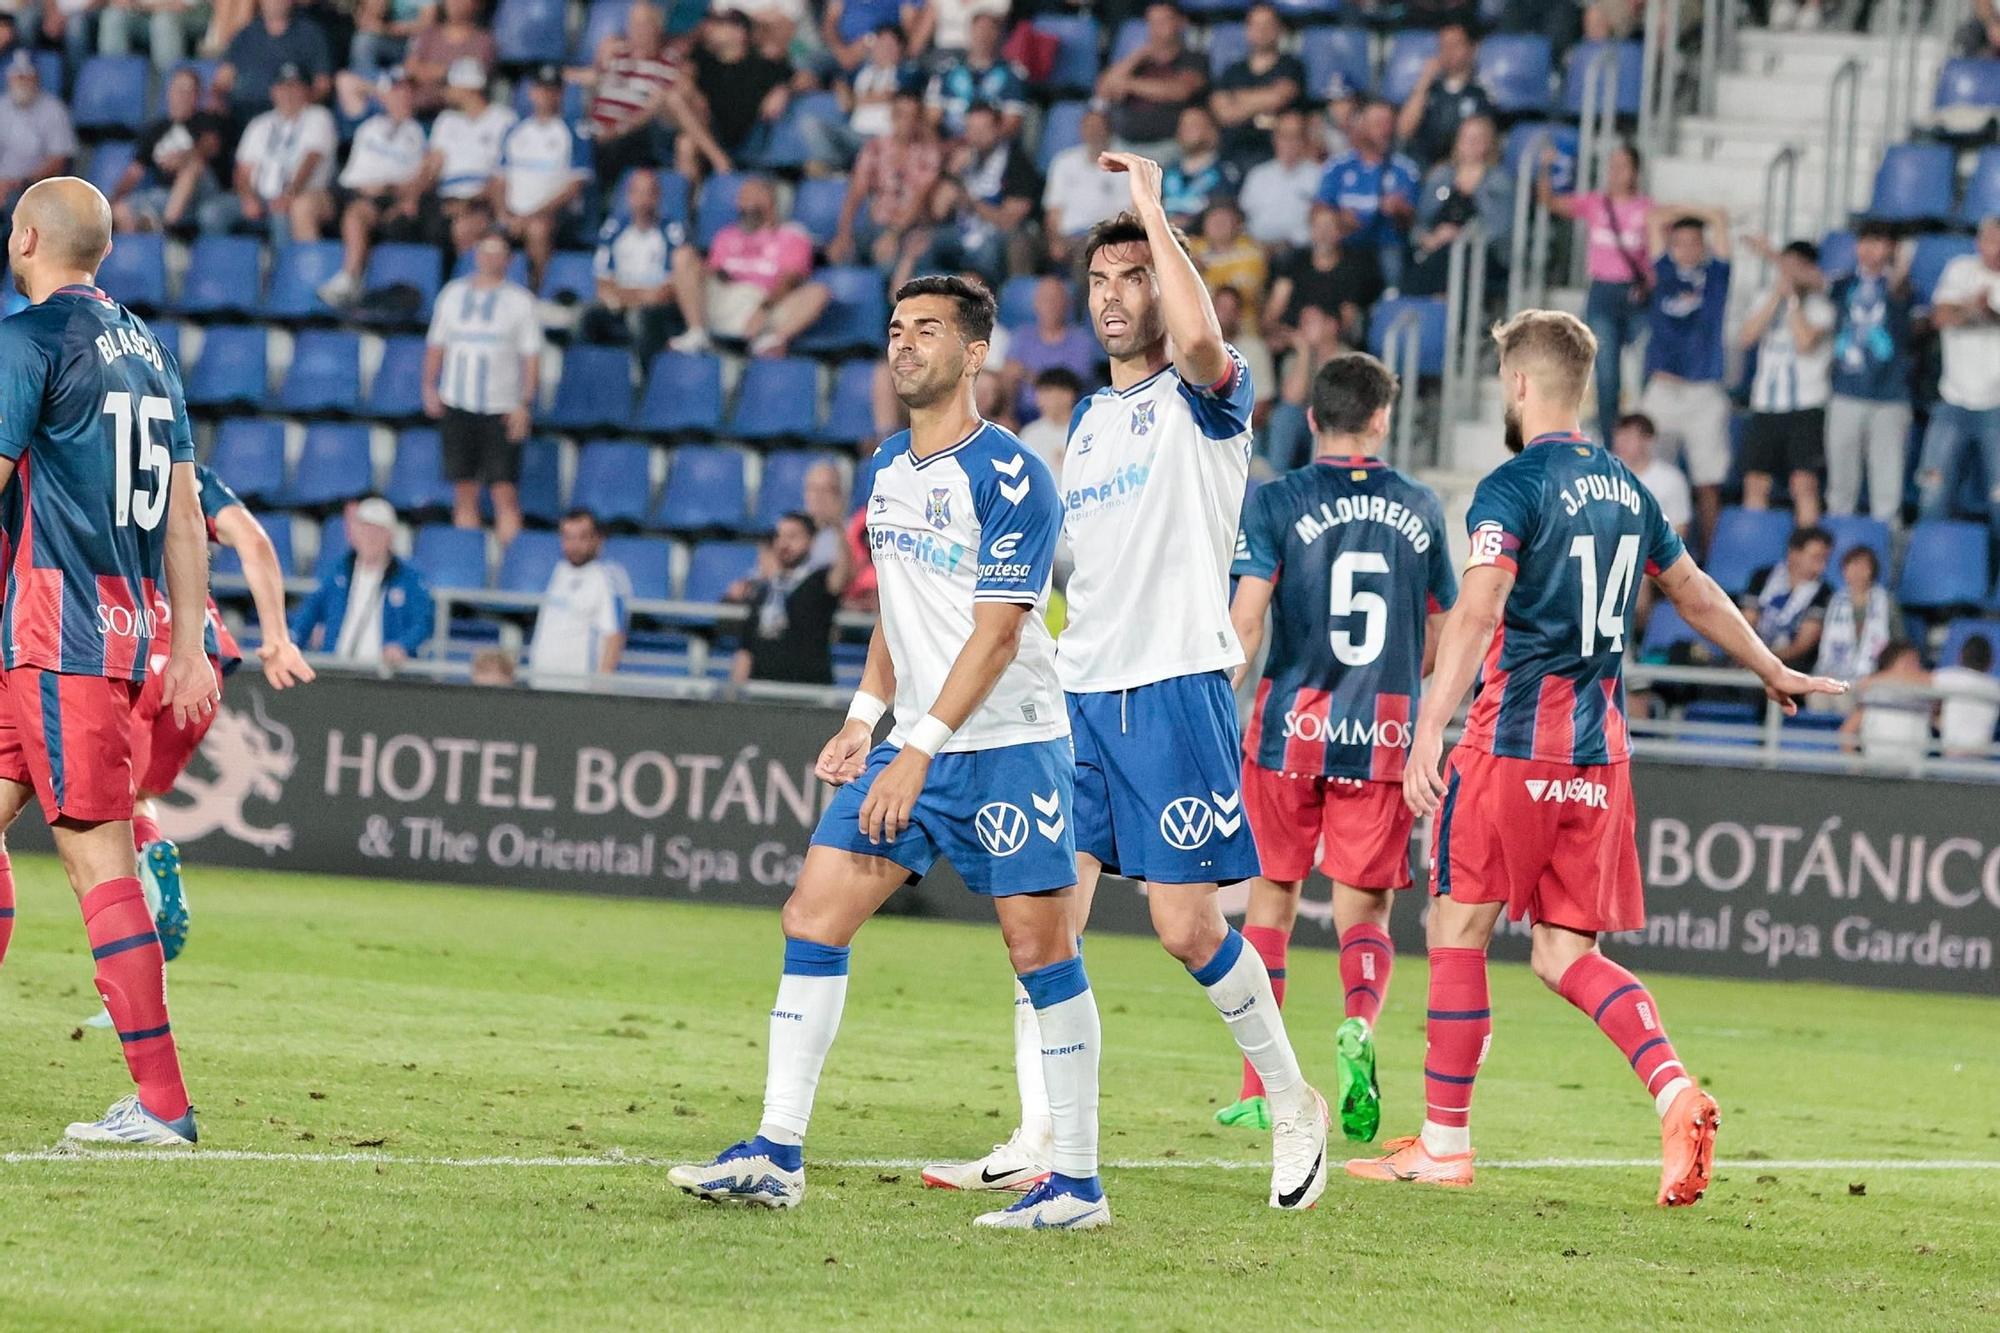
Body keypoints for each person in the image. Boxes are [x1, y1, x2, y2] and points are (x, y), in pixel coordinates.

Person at [1352, 309, 1842, 1202]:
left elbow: (1477, 607)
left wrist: (1430, 726)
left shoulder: (1512, 485)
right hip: (1599, 757)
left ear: (1520, 385)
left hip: (1511, 745)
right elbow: (1692, 592)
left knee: (1457, 926)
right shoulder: (1631, 490)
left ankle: (1444, 1143)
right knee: (1564, 952)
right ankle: (1674, 1090)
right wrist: (1772, 666)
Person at [927, 164, 1331, 1213]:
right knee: (1037, 918)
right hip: (1081, 697)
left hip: (1174, 687)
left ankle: (1292, 1105)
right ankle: (1046, 1140)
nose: (1110, 293)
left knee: (1187, 929)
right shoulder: (1090, 424)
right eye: (1098, 276)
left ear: (1167, 282)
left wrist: (1154, 212)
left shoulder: (1206, 398)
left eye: (1132, 275)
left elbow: (1200, 341)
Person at [669, 276, 1107, 1232]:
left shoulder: (1013, 477)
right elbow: (897, 617)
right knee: (813, 915)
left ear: (975, 352)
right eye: (897, 328)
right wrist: (866, 719)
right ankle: (777, 1152)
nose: (904, 344)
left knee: (1041, 952)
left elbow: (995, 637)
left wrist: (916, 749)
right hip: (914, 739)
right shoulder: (886, 469)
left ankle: (1077, 1182)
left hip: (1011, 742)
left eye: (928, 331)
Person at [0, 177, 219, 1146]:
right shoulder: (148, 349)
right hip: (99, 634)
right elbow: (184, 510)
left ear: (29, 237)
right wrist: (182, 642)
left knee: (95, 856)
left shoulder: (29, 338)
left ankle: (164, 1105)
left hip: (59, 638)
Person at [1221, 352, 1456, 1139]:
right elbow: (1441, 635)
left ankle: (1262, 1081)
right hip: (1383, 732)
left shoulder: (1278, 500)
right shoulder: (1421, 506)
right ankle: (1357, 1022)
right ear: (1383, 418)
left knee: (1272, 900)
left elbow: (1247, 620)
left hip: (1291, 727)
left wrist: (1213, 697)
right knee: (1365, 908)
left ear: (1312, 417)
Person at [131, 462, 313, 963]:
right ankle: (150, 856)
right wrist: (276, 638)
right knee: (137, 798)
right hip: (200, 662)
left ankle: (127, 938)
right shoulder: (187, 474)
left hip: (126, 643)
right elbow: (255, 542)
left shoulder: (86, 450)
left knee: (89, 817)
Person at [422, 233, 543, 544]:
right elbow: (437, 345)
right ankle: (466, 567)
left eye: (498, 253)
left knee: (504, 491)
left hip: (501, 406)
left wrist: (524, 404)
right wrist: (429, 386)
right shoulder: (451, 295)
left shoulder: (520, 301)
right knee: (464, 491)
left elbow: (531, 357)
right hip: (457, 403)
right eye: (485, 252)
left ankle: (509, 569)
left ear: (509, 260)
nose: (490, 259)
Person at [1539, 141, 1652, 433]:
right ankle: (1611, 436)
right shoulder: (1595, 203)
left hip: (1635, 293)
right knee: (1607, 373)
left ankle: (1638, 431)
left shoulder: (1647, 209)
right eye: (1612, 167)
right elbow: (1550, 201)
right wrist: (1545, 168)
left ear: (1635, 172)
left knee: (1646, 366)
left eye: (1622, 167)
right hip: (1603, 291)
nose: (1615, 173)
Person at [1639, 208, 1733, 547]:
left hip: (1703, 390)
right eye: (1679, 243)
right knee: (1651, 478)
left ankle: (1710, 560)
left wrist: (1703, 213)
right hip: (1664, 389)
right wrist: (1690, 209)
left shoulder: (1716, 277)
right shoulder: (1663, 272)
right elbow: (1653, 221)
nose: (1687, 249)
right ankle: (1653, 558)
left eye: (1694, 242)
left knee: (1707, 482)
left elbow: (1720, 221)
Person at [670, 175, 828, 358]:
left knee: (818, 292)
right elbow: (716, 272)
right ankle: (697, 333)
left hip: (766, 303)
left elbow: (790, 280)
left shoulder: (792, 235)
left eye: (751, 198)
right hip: (725, 299)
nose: (743, 204)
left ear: (770, 201)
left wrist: (764, 308)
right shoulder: (726, 235)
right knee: (683, 256)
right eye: (742, 199)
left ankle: (769, 342)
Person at [1914, 217, 2000, 542]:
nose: (1995, 249)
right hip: (1953, 400)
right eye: (1990, 241)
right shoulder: (1960, 269)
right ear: (1979, 242)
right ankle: (1926, 568)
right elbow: (1940, 316)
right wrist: (1974, 311)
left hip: (1997, 407)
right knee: (1933, 494)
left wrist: (1987, 313)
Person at [1738, 238, 1834, 524]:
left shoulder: (1822, 306)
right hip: (1765, 404)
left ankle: (1807, 548)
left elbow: (1805, 342)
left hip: (1806, 405)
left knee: (1803, 484)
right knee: (1756, 482)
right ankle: (1752, 548)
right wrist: (1775, 298)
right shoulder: (1765, 298)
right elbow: (1746, 338)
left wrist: (1792, 300)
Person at [317, 67, 430, 309]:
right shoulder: (369, 121)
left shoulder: (423, 130)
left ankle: (350, 278)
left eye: (407, 92)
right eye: (396, 91)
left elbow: (425, 176)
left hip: (384, 196)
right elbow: (344, 80)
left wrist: (393, 189)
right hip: (346, 189)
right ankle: (312, 271)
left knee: (357, 214)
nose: (402, 97)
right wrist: (381, 92)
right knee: (303, 206)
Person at [1825, 221, 1913, 522]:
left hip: (1890, 397)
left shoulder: (1904, 287)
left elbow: (1903, 297)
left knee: (1887, 488)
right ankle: (1836, 549)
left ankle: (1885, 555)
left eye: (1878, 243)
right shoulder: (1842, 284)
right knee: (1840, 486)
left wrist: (1901, 266)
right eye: (1865, 242)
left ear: (1891, 249)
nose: (1870, 250)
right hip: (1845, 392)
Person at [289, 496, 434, 665]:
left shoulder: (409, 578)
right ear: (355, 533)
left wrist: (402, 646)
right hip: (337, 667)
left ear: (390, 536)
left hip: (384, 672)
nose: (370, 537)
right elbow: (310, 609)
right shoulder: (338, 571)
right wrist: (292, 641)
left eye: (378, 531)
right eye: (365, 529)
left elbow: (422, 622)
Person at [201, 63, 335, 244]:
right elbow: (243, 171)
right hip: (260, 196)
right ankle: (225, 267)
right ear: (273, 91)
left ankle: (284, 269)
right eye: (282, 87)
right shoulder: (259, 123)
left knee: (281, 212)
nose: (287, 93)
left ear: (307, 90)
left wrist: (289, 194)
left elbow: (310, 160)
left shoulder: (318, 116)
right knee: (212, 212)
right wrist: (248, 198)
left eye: (294, 86)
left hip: (299, 194)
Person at [580, 168, 695, 371]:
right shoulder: (613, 229)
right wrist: (637, 296)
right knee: (586, 317)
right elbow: (603, 284)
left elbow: (667, 291)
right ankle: (588, 378)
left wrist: (627, 297)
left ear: (657, 197)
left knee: (641, 318)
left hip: (657, 311)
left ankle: (643, 383)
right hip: (623, 303)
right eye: (637, 192)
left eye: (649, 193)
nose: (643, 200)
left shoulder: (672, 231)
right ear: (629, 196)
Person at [728, 510, 854, 685]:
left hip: (807, 691)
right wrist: (736, 691)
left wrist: (838, 529)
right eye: (780, 536)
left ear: (811, 541)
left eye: (793, 536)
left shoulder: (819, 582)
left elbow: (843, 573)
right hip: (762, 692)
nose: (784, 543)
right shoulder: (764, 590)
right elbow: (746, 647)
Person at [828, 88, 942, 271]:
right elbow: (856, 191)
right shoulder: (875, 147)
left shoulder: (928, 153)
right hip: (877, 223)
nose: (906, 122)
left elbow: (919, 199)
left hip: (910, 229)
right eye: (900, 115)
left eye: (912, 116)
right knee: (839, 255)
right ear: (892, 116)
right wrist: (843, 233)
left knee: (888, 264)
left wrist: (893, 235)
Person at [496, 65, 587, 288]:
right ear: (531, 92)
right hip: (513, 212)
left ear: (561, 94)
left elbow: (574, 186)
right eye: (541, 89)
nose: (545, 95)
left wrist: (528, 217)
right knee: (469, 228)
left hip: (553, 215)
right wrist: (503, 213)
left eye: (552, 90)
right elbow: (499, 179)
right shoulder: (515, 130)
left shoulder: (574, 132)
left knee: (538, 230)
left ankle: (535, 291)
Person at [1315, 99, 1419, 292]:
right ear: (1361, 126)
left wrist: (1399, 210)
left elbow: (1411, 222)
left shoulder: (1404, 168)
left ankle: (1391, 302)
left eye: (1389, 123)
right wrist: (1339, 219)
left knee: (1392, 258)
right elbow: (1320, 209)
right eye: (1377, 123)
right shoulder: (1337, 166)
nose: (1385, 130)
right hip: (1345, 244)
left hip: (1385, 245)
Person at [1402, 113, 1509, 298]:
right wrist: (1428, 238)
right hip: (1437, 251)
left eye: (1478, 139)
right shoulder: (1441, 175)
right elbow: (1420, 222)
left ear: (1489, 143)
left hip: (1480, 255)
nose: (1471, 144)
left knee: (1456, 259)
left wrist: (1461, 236)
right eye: (1467, 138)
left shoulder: (1499, 180)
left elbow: (1499, 228)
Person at [110, 65, 226, 234]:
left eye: (189, 90)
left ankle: (167, 231)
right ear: (169, 93)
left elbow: (211, 146)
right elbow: (135, 172)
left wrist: (184, 157)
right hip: (167, 194)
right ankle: (145, 255)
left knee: (192, 165)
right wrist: (112, 199)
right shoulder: (155, 129)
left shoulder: (207, 120)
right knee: (121, 211)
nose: (182, 96)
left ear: (197, 95)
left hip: (204, 192)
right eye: (178, 89)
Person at [526, 510, 632, 686]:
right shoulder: (557, 571)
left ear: (598, 539)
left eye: (582, 537)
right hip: (541, 680)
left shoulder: (607, 577)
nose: (574, 545)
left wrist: (601, 684)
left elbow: (615, 635)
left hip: (579, 686)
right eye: (568, 537)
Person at [1264, 201, 1382, 355]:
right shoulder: (1294, 263)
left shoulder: (1352, 268)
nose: (1323, 233)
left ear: (1340, 232)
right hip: (1292, 342)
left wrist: (1317, 336)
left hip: (1330, 344)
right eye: (1318, 227)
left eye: (1329, 227)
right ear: (1311, 231)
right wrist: (1289, 337)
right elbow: (1271, 315)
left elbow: (1348, 321)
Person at [425, 59, 515, 254]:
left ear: (467, 88)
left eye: (451, 85)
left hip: (484, 200)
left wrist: (470, 202)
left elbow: (504, 171)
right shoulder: (446, 120)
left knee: (465, 228)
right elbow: (433, 166)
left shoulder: (503, 119)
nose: (446, 90)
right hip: (445, 198)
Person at [1096, 2, 1206, 158]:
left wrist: (1128, 84)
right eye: (1152, 22)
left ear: (1180, 22)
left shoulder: (1193, 58)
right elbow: (1103, 90)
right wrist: (1138, 55)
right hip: (1124, 143)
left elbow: (1178, 91)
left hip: (1169, 145)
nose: (1157, 28)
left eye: (1163, 21)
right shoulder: (1137, 61)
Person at [688, 9, 789, 166]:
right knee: (685, 141)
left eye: (721, 24)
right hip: (711, 131)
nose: (713, 29)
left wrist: (783, 90)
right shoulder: (702, 60)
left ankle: (722, 164)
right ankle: (719, 162)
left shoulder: (762, 64)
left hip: (746, 141)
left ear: (739, 32)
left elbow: (803, 78)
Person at [806, 22, 913, 168]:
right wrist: (848, 94)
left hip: (883, 137)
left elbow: (889, 97)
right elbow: (844, 102)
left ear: (899, 49)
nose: (884, 50)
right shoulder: (863, 72)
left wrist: (853, 98)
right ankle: (836, 169)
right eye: (880, 45)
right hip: (855, 133)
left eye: (889, 46)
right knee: (811, 124)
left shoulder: (905, 72)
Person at [1210, 2, 1305, 166]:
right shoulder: (1232, 70)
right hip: (1233, 153)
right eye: (1256, 25)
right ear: (1247, 30)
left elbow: (1279, 97)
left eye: (1268, 24)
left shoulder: (1291, 65)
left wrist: (1237, 98)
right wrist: (1264, 100)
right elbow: (1224, 113)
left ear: (1279, 29)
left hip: (1276, 156)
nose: (1262, 30)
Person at [213, 0, 331, 123]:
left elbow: (323, 85)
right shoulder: (245, 35)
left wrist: (299, 103)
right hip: (241, 113)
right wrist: (218, 100)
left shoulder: (310, 34)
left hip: (291, 117)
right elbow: (222, 81)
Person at [1396, 22, 1494, 168]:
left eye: (1455, 45)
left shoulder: (1481, 92)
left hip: (1463, 169)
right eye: (1443, 46)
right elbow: (1403, 131)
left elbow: (1485, 142)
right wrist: (1424, 82)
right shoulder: (1428, 89)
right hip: (1422, 165)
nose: (1448, 51)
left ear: (1472, 48)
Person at [1002, 275, 1099, 422]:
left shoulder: (1082, 341)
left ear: (1066, 304)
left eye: (1055, 299)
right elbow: (1009, 375)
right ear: (1035, 304)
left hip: (1067, 416)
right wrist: (1007, 416)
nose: (1050, 305)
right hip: (1024, 413)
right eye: (1044, 300)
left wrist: (1026, 373)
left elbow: (1069, 385)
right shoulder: (1021, 336)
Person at [1811, 545, 1893, 711]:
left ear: (1872, 571)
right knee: (1817, 697)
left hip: (1871, 676)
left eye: (1863, 567)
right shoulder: (1834, 601)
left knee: (1844, 699)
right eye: (1852, 566)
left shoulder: (1886, 602)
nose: (1857, 572)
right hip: (1833, 673)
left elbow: (1897, 643)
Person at [1041, 107, 1126, 267]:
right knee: (1023, 242)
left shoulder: (1123, 164)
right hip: (1064, 237)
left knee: (1087, 250)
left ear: (1108, 130)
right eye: (1088, 127)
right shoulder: (1063, 161)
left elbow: (1126, 214)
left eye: (1097, 127)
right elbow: (1053, 211)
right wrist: (1055, 241)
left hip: (1101, 238)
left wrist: (1098, 237)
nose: (1092, 132)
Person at [1742, 525, 1833, 673]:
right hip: (1751, 652)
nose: (1822, 566)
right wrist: (1746, 653)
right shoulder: (1762, 576)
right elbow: (1747, 621)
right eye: (1816, 558)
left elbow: (1802, 645)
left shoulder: (1824, 592)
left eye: (1825, 559)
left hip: (1789, 664)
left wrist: (1766, 660)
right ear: (1794, 554)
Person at [924, 10, 1024, 140]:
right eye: (979, 29)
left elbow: (1011, 124)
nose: (983, 35)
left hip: (990, 145)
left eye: (989, 30)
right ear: (970, 32)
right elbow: (931, 119)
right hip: (950, 143)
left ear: (998, 35)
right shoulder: (945, 71)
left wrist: (978, 143)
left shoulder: (1012, 75)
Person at [0, 53, 77, 214]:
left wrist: (21, 183)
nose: (22, 82)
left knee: (16, 204)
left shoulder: (54, 109)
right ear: (9, 78)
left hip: (34, 187)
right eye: (18, 76)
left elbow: (58, 161)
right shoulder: (2, 107)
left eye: (26, 76)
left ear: (36, 77)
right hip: (3, 184)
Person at [1838, 641, 1932, 767]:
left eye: (1916, 662)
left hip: (1913, 770)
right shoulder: (1872, 691)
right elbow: (1847, 731)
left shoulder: (1926, 690)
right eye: (1908, 662)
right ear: (1890, 663)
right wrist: (1855, 767)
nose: (1914, 668)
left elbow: (1930, 680)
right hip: (1876, 769)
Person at [1239, 109, 1321, 252]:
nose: (1289, 143)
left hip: (1301, 251)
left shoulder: (1318, 175)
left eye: (1295, 136)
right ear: (1275, 139)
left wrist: (1289, 244)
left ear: (1304, 140)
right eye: (1284, 136)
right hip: (1258, 249)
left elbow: (1320, 222)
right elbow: (1244, 216)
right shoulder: (1258, 175)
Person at [403, 0, 493, 117]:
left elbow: (471, 82)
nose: (454, 3)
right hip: (420, 113)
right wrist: (449, 71)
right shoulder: (428, 35)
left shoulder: (483, 41)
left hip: (461, 116)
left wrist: (429, 71)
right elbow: (411, 69)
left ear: (476, 4)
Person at [1158, 106, 1241, 229]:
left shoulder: (1225, 173)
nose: (1187, 130)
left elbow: (1224, 216)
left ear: (1212, 131)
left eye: (1195, 125)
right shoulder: (1166, 172)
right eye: (1184, 125)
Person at [1611, 413, 1691, 538]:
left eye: (1628, 438)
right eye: (1619, 437)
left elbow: (1679, 528)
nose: (1621, 443)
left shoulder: (1671, 479)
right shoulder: (1603, 476)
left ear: (1647, 441)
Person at [1190, 200, 1266, 323]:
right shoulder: (1193, 247)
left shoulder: (1251, 253)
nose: (1218, 223)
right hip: (1199, 324)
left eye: (1225, 219)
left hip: (1242, 327)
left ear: (1237, 224)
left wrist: (1197, 271)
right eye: (1213, 217)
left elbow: (1232, 297)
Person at [1934, 633, 2000, 757]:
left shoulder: (1944, 677)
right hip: (1979, 762)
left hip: (1949, 760)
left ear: (1959, 656)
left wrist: (1938, 722)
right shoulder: (1995, 687)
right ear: (1991, 662)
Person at [1020, 366, 1082, 479]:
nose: (1041, 399)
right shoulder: (1030, 434)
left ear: (1068, 395)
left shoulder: (1085, 429)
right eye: (1039, 393)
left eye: (1047, 392)